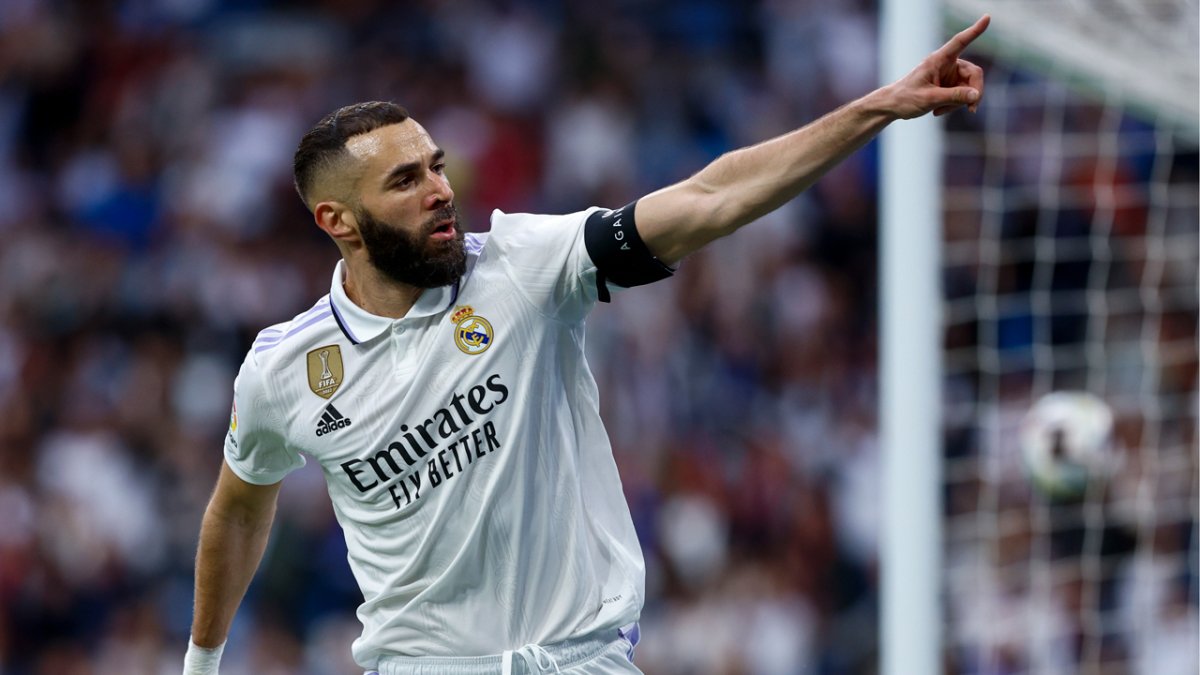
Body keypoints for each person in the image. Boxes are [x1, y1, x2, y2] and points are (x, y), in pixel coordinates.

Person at [185, 15, 990, 675]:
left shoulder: (523, 265)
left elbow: (710, 199)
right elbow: (241, 503)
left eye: (435, 166)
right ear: (336, 222)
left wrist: (878, 107)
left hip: (581, 661)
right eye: (404, 181)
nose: (440, 189)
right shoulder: (284, 372)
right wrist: (202, 660)